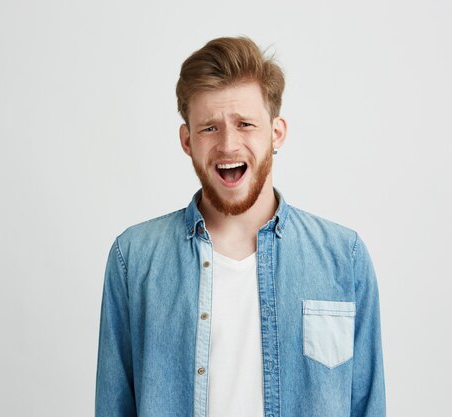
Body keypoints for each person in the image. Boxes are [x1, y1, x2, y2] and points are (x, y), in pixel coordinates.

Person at [95, 36, 386, 417]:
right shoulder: (133, 259)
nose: (229, 144)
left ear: (276, 132)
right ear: (187, 141)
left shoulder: (343, 258)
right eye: (209, 128)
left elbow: (367, 406)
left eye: (245, 124)